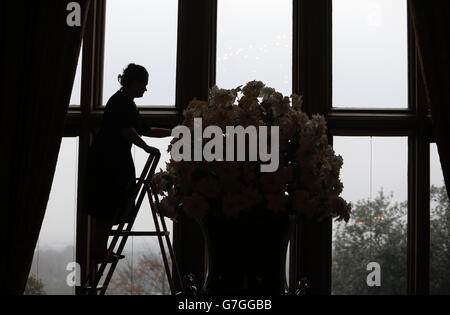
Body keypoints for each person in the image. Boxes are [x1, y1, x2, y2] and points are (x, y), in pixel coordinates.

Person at [85, 63, 172, 261]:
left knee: (107, 209)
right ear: (136, 82)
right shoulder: (121, 102)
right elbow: (128, 130)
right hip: (109, 162)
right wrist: (145, 147)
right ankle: (99, 251)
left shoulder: (124, 101)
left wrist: (173, 132)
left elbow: (145, 129)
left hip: (112, 160)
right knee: (106, 208)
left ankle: (100, 250)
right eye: (144, 84)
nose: (146, 88)